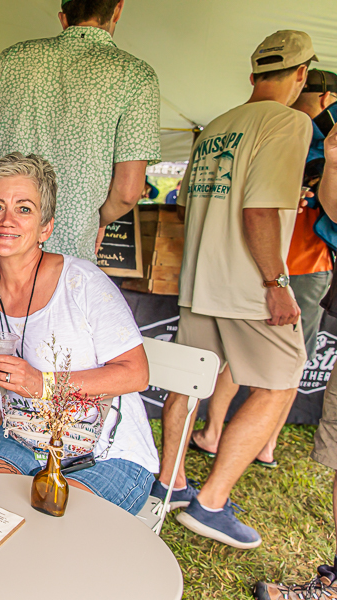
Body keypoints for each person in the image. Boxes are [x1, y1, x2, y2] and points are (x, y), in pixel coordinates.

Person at [150, 30, 315, 549]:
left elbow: (184, 207)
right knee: (282, 383)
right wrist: (276, 283)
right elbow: (259, 210)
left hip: (200, 281)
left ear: (253, 74)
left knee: (189, 382)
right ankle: (211, 503)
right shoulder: (290, 122)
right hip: (249, 289)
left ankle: (170, 484)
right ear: (301, 75)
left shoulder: (216, 127)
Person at [0, 152, 159, 515]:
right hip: (23, 440)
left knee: (56, 526)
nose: (7, 219)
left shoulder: (83, 283)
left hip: (104, 452)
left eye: (24, 209)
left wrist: (42, 383)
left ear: (46, 228)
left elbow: (136, 373)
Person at [189, 69, 337, 470]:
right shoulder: (291, 127)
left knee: (227, 359)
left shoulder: (256, 126)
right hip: (293, 265)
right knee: (286, 370)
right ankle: (262, 444)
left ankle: (217, 433)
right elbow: (259, 209)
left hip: (261, 265)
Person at [0, 0, 160, 273]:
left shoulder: (13, 58)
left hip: (6, 249)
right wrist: (96, 221)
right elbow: (127, 193)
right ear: (117, 9)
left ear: (63, 18)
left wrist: (13, 141)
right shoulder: (136, 76)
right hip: (69, 259)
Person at [252, 118, 337, 600]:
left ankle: (265, 444)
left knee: (287, 368)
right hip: (292, 271)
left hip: (301, 270)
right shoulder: (316, 143)